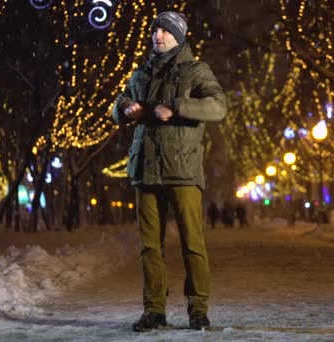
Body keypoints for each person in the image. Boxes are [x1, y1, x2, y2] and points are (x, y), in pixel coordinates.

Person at [111, 11, 227, 332]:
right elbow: (118, 104)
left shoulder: (196, 70)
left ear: (178, 35)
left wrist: (177, 106)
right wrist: (124, 107)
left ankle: (198, 309)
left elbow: (218, 106)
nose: (157, 35)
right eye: (155, 30)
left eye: (164, 30)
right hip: (146, 169)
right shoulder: (141, 73)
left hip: (183, 169)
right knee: (150, 246)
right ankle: (154, 310)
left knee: (192, 243)